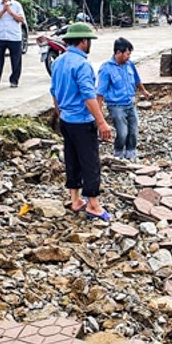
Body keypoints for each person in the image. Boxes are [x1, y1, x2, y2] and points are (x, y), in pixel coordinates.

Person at [50, 22, 112, 221]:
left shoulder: (58, 62)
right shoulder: (82, 64)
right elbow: (88, 95)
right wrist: (101, 122)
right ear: (84, 41)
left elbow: (54, 92)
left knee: (72, 158)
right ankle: (93, 204)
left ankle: (75, 199)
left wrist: (59, 114)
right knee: (90, 162)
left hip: (66, 119)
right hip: (81, 121)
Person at [96, 37, 151, 160]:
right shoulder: (106, 69)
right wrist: (100, 118)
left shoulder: (129, 65)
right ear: (118, 52)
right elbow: (99, 94)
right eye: (127, 54)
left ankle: (131, 153)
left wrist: (143, 90)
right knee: (122, 133)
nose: (128, 57)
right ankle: (119, 153)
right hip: (116, 106)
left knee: (133, 131)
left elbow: (136, 79)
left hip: (130, 103)